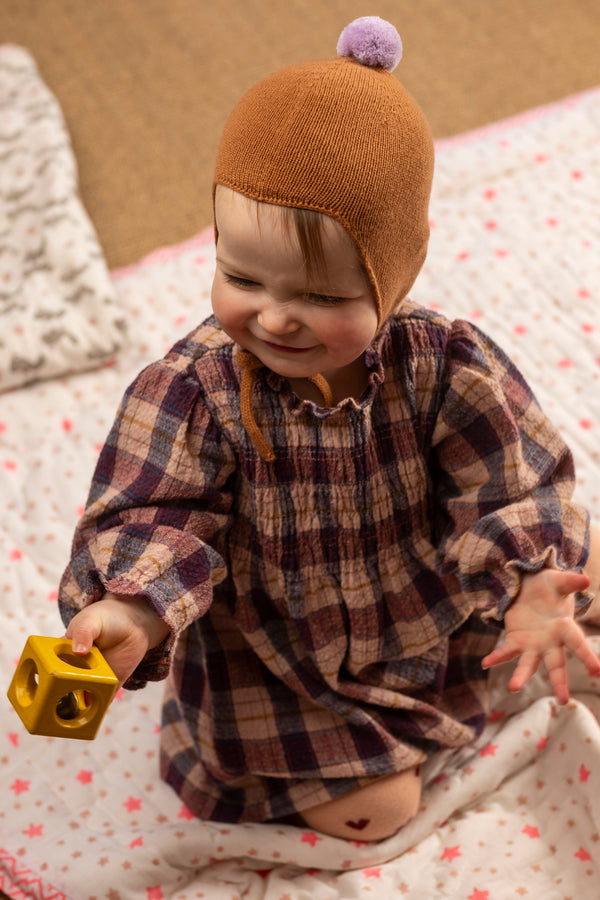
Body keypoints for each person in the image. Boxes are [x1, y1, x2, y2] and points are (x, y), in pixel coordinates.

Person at [59, 16, 600, 842]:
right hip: (284, 662)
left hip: (428, 605)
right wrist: (133, 611)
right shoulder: (196, 388)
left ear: (395, 273)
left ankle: (533, 627)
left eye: (321, 297)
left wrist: (530, 581)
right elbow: (155, 513)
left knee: (571, 574)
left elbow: (510, 478)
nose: (274, 317)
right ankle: (413, 732)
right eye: (240, 275)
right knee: (379, 811)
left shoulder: (443, 361)